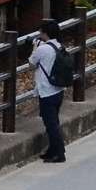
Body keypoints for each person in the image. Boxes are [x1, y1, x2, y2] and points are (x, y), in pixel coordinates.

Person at [30, 19, 67, 163]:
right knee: (54, 121)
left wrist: (34, 47)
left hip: (46, 91)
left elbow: (32, 63)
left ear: (45, 33)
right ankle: (52, 150)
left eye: (40, 32)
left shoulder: (42, 49)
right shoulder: (60, 46)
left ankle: (59, 153)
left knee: (50, 124)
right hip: (58, 89)